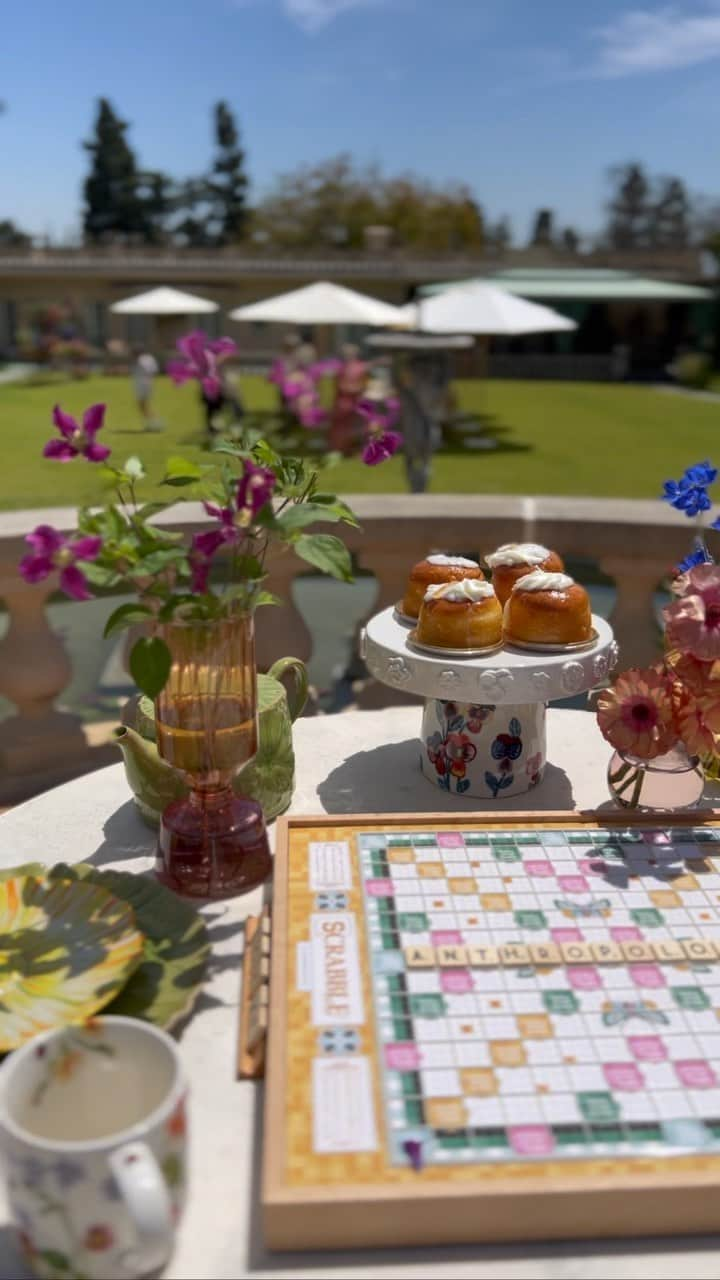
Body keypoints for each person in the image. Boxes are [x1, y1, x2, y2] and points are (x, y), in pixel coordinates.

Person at [329, 343, 367, 454]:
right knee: (340, 426)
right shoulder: (342, 368)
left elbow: (363, 384)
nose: (347, 356)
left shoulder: (360, 367)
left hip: (355, 401)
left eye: (350, 353)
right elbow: (340, 385)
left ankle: (353, 448)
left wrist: (356, 389)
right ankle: (339, 448)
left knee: (356, 425)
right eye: (346, 354)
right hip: (343, 402)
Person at [131, 347, 160, 430]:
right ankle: (152, 424)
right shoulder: (149, 358)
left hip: (143, 385)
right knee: (144, 406)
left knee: (143, 406)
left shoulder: (141, 360)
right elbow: (154, 371)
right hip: (148, 384)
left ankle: (155, 423)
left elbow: (146, 370)